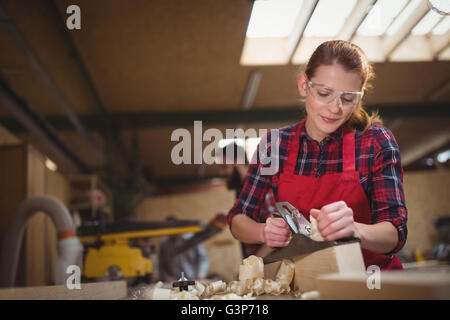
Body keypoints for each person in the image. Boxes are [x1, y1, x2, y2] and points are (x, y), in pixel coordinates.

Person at [227, 40, 407, 270]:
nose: (335, 108)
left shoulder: (376, 141)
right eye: (324, 93)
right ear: (304, 85)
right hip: (307, 285)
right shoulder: (274, 146)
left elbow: (396, 233)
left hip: (372, 283)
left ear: (359, 96)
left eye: (348, 98)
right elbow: (238, 218)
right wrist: (262, 231)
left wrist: (355, 229)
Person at [219, 142, 276, 258]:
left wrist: (252, 267)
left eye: (225, 167)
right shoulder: (242, 191)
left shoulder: (261, 187)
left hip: (270, 265)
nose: (221, 172)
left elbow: (277, 232)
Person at [159, 218, 209, 282]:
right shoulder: (164, 244)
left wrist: (202, 272)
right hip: (175, 281)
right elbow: (162, 264)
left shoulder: (191, 239)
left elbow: (203, 257)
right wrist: (168, 278)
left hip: (194, 278)